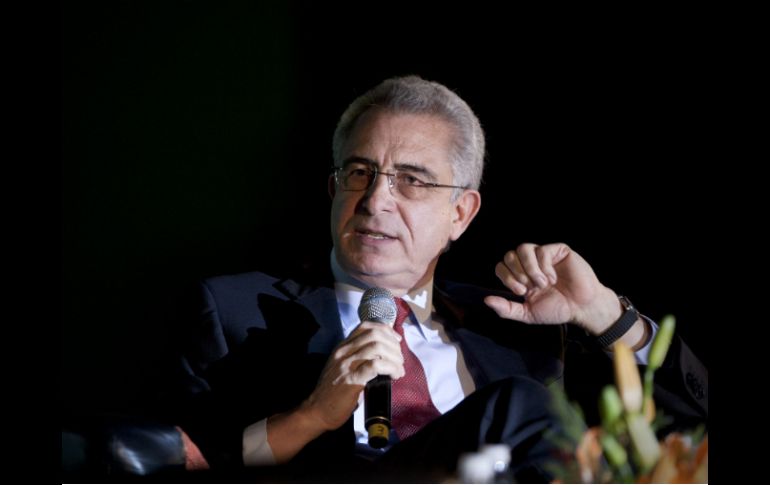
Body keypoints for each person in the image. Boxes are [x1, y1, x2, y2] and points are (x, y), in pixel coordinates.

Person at [169, 76, 707, 482]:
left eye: (412, 181)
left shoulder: (515, 330)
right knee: (516, 403)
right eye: (360, 173)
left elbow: (690, 433)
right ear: (333, 191)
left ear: (461, 214)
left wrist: (605, 315)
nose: (376, 200)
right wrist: (311, 416)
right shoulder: (231, 309)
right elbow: (187, 464)